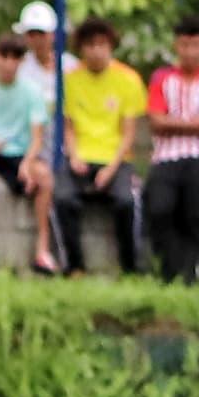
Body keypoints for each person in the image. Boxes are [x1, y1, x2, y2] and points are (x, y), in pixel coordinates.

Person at [52, 17, 150, 277]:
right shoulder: (70, 80)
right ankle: (75, 267)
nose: (96, 50)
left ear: (111, 46)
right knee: (62, 199)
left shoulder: (128, 79)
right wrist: (73, 156)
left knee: (127, 202)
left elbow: (129, 134)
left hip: (116, 158)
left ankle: (131, 269)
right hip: (81, 156)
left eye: (102, 44)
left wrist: (111, 168)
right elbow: (68, 127)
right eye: (90, 45)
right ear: (81, 49)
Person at [142, 21, 199, 284]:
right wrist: (197, 122)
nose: (190, 52)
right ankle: (169, 271)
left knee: (196, 213)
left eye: (196, 45)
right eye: (184, 45)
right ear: (176, 46)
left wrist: (175, 122)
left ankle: (192, 272)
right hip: (166, 156)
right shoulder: (162, 79)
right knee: (160, 208)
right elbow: (156, 122)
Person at [0, 27, 60, 271]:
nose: (9, 64)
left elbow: (37, 136)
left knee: (44, 177)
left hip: (22, 153)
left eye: (15, 58)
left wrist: (27, 163)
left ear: (21, 61)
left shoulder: (31, 91)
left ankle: (42, 249)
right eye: (4, 57)